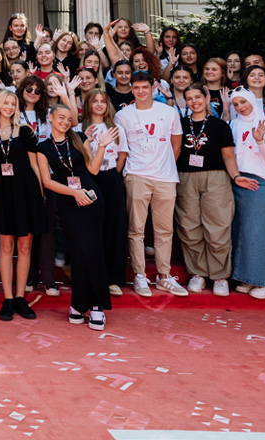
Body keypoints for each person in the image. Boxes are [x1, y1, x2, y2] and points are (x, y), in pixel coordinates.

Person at [35, 105, 112, 330]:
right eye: (61, 117)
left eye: (69, 119)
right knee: (80, 253)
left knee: (94, 251)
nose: (65, 122)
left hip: (91, 198)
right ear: (50, 118)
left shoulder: (78, 138)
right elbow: (47, 182)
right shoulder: (43, 147)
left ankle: (97, 306)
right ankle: (78, 304)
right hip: (69, 202)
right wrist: (74, 193)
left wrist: (103, 147)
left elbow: (93, 170)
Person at [116, 70, 188, 298]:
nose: (140, 91)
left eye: (144, 87)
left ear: (153, 87)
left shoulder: (168, 112)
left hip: (165, 176)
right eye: (136, 87)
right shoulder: (123, 115)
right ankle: (139, 275)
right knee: (136, 230)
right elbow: (123, 150)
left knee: (164, 230)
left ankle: (164, 276)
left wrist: (163, 165)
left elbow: (176, 145)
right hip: (137, 175)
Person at [175, 85, 248, 296]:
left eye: (198, 96)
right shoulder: (180, 125)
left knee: (218, 226)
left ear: (206, 98)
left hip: (216, 177)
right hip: (186, 177)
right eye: (189, 98)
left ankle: (219, 276)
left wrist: (236, 176)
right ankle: (198, 274)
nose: (194, 101)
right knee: (189, 226)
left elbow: (228, 156)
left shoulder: (220, 126)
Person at [0, 91, 44, 321]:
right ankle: (7, 299)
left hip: (27, 192)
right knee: (6, 247)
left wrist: (41, 195)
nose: (8, 107)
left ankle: (20, 297)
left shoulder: (25, 131)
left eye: (12, 104)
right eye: (5, 103)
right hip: (4, 193)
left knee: (25, 248)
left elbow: (35, 166)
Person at [228, 87, 265, 299]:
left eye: (243, 102)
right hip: (236, 179)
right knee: (240, 231)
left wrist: (260, 141)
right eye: (236, 104)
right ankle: (247, 278)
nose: (240, 107)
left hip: (259, 181)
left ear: (253, 100)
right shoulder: (232, 124)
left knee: (258, 232)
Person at [81, 90, 128, 296]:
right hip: (89, 179)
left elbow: (122, 154)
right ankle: (90, 274)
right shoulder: (80, 128)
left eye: (103, 101)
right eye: (95, 101)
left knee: (114, 226)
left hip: (111, 176)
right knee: (90, 227)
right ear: (88, 105)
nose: (99, 105)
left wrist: (113, 175)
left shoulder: (116, 128)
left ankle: (113, 278)